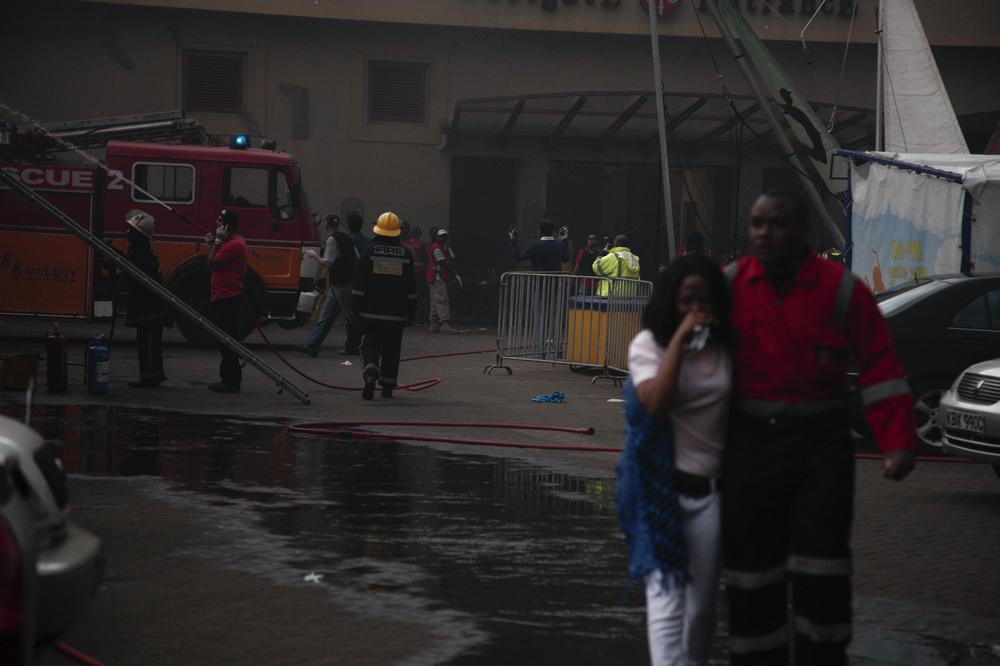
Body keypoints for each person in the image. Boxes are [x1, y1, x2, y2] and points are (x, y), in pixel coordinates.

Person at [722, 189, 917, 665]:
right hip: (750, 448)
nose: (764, 234)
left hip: (820, 448)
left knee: (822, 567)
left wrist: (897, 443)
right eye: (757, 224)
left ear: (803, 231)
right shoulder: (729, 286)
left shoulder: (842, 290)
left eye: (777, 224)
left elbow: (881, 369)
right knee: (751, 572)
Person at [617, 254, 732, 666]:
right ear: (671, 303)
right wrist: (680, 341)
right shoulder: (648, 346)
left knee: (702, 610)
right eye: (687, 301)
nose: (697, 309)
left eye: (705, 300)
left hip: (711, 493)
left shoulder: (726, 347)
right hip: (659, 491)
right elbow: (655, 405)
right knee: (667, 598)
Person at [352, 212, 417, 401]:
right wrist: (412, 311)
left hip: (370, 312)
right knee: (392, 349)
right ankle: (387, 386)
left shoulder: (369, 251)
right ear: (398, 232)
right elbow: (411, 287)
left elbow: (359, 283)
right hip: (396, 314)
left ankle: (370, 372)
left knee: (369, 344)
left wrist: (355, 307)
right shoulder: (406, 254)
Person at [301, 214, 361, 357]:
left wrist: (314, 255)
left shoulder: (332, 240)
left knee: (351, 318)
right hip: (342, 284)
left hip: (341, 285)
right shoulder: (347, 238)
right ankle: (312, 345)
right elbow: (357, 257)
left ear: (327, 225)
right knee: (327, 315)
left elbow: (327, 263)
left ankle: (367, 345)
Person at [123, 210, 167, 388]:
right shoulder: (141, 249)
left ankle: (150, 377)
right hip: (147, 305)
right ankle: (148, 376)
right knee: (146, 341)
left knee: (148, 343)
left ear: (139, 234)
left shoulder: (142, 253)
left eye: (131, 230)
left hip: (149, 307)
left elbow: (133, 275)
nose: (128, 233)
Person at [206, 209, 247, 393]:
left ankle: (231, 381)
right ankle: (227, 377)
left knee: (226, 340)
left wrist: (216, 243)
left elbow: (211, 263)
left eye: (220, 221)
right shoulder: (230, 243)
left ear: (227, 225)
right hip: (223, 295)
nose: (216, 223)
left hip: (227, 297)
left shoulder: (233, 245)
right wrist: (213, 244)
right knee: (224, 338)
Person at [426, 229, 460, 333]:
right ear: (437, 237)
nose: (444, 238)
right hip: (437, 277)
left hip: (436, 277)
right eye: (441, 236)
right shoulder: (436, 248)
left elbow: (453, 259)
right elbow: (442, 263)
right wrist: (454, 273)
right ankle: (444, 324)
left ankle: (434, 324)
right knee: (442, 299)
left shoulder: (445, 247)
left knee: (434, 300)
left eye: (445, 236)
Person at [401, 222, 429, 324]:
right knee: (418, 295)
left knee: (406, 295)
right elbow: (425, 260)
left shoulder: (405, 244)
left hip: (406, 273)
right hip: (418, 274)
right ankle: (418, 317)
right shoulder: (421, 245)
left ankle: (408, 315)